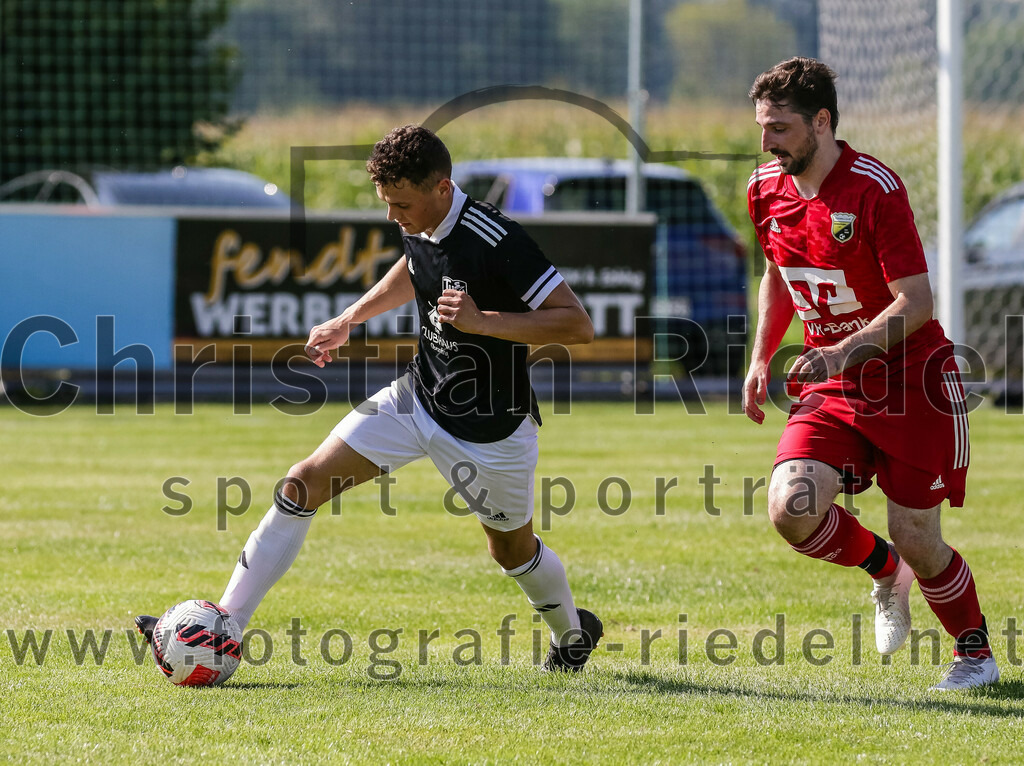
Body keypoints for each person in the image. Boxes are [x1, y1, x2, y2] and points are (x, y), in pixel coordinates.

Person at [138, 125, 603, 672]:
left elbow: (578, 326)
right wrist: (349, 319)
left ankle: (572, 635)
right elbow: (414, 267)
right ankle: (225, 628)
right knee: (302, 482)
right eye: (386, 203)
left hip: (490, 430)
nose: (392, 216)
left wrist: (482, 321)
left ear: (442, 188)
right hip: (417, 398)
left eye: (401, 204)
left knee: (510, 550)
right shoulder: (420, 221)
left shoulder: (496, 238)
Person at [743, 57, 998, 691]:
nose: (766, 141)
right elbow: (777, 276)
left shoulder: (874, 188)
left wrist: (839, 351)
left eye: (779, 128)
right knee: (792, 508)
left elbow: (916, 302)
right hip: (834, 382)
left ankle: (976, 654)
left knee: (916, 532)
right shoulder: (764, 189)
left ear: (822, 122)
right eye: (762, 127)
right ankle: (885, 572)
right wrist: (758, 357)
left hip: (913, 379)